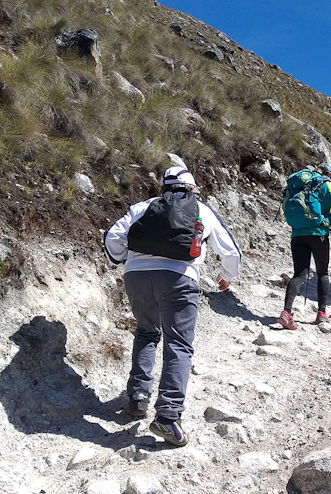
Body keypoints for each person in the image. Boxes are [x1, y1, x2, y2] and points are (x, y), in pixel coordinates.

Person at [103, 166, 241, 447]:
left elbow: (113, 237)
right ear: (192, 189)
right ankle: (167, 416)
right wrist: (226, 277)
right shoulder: (201, 208)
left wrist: (119, 261)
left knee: (146, 333)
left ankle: (139, 397)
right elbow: (230, 251)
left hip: (136, 277)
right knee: (178, 345)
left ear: (164, 187)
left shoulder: (142, 207)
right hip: (179, 278)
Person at [278, 162, 331, 329]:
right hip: (319, 235)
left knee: (299, 274)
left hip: (298, 233)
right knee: (322, 273)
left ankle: (286, 312)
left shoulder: (301, 186)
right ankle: (321, 314)